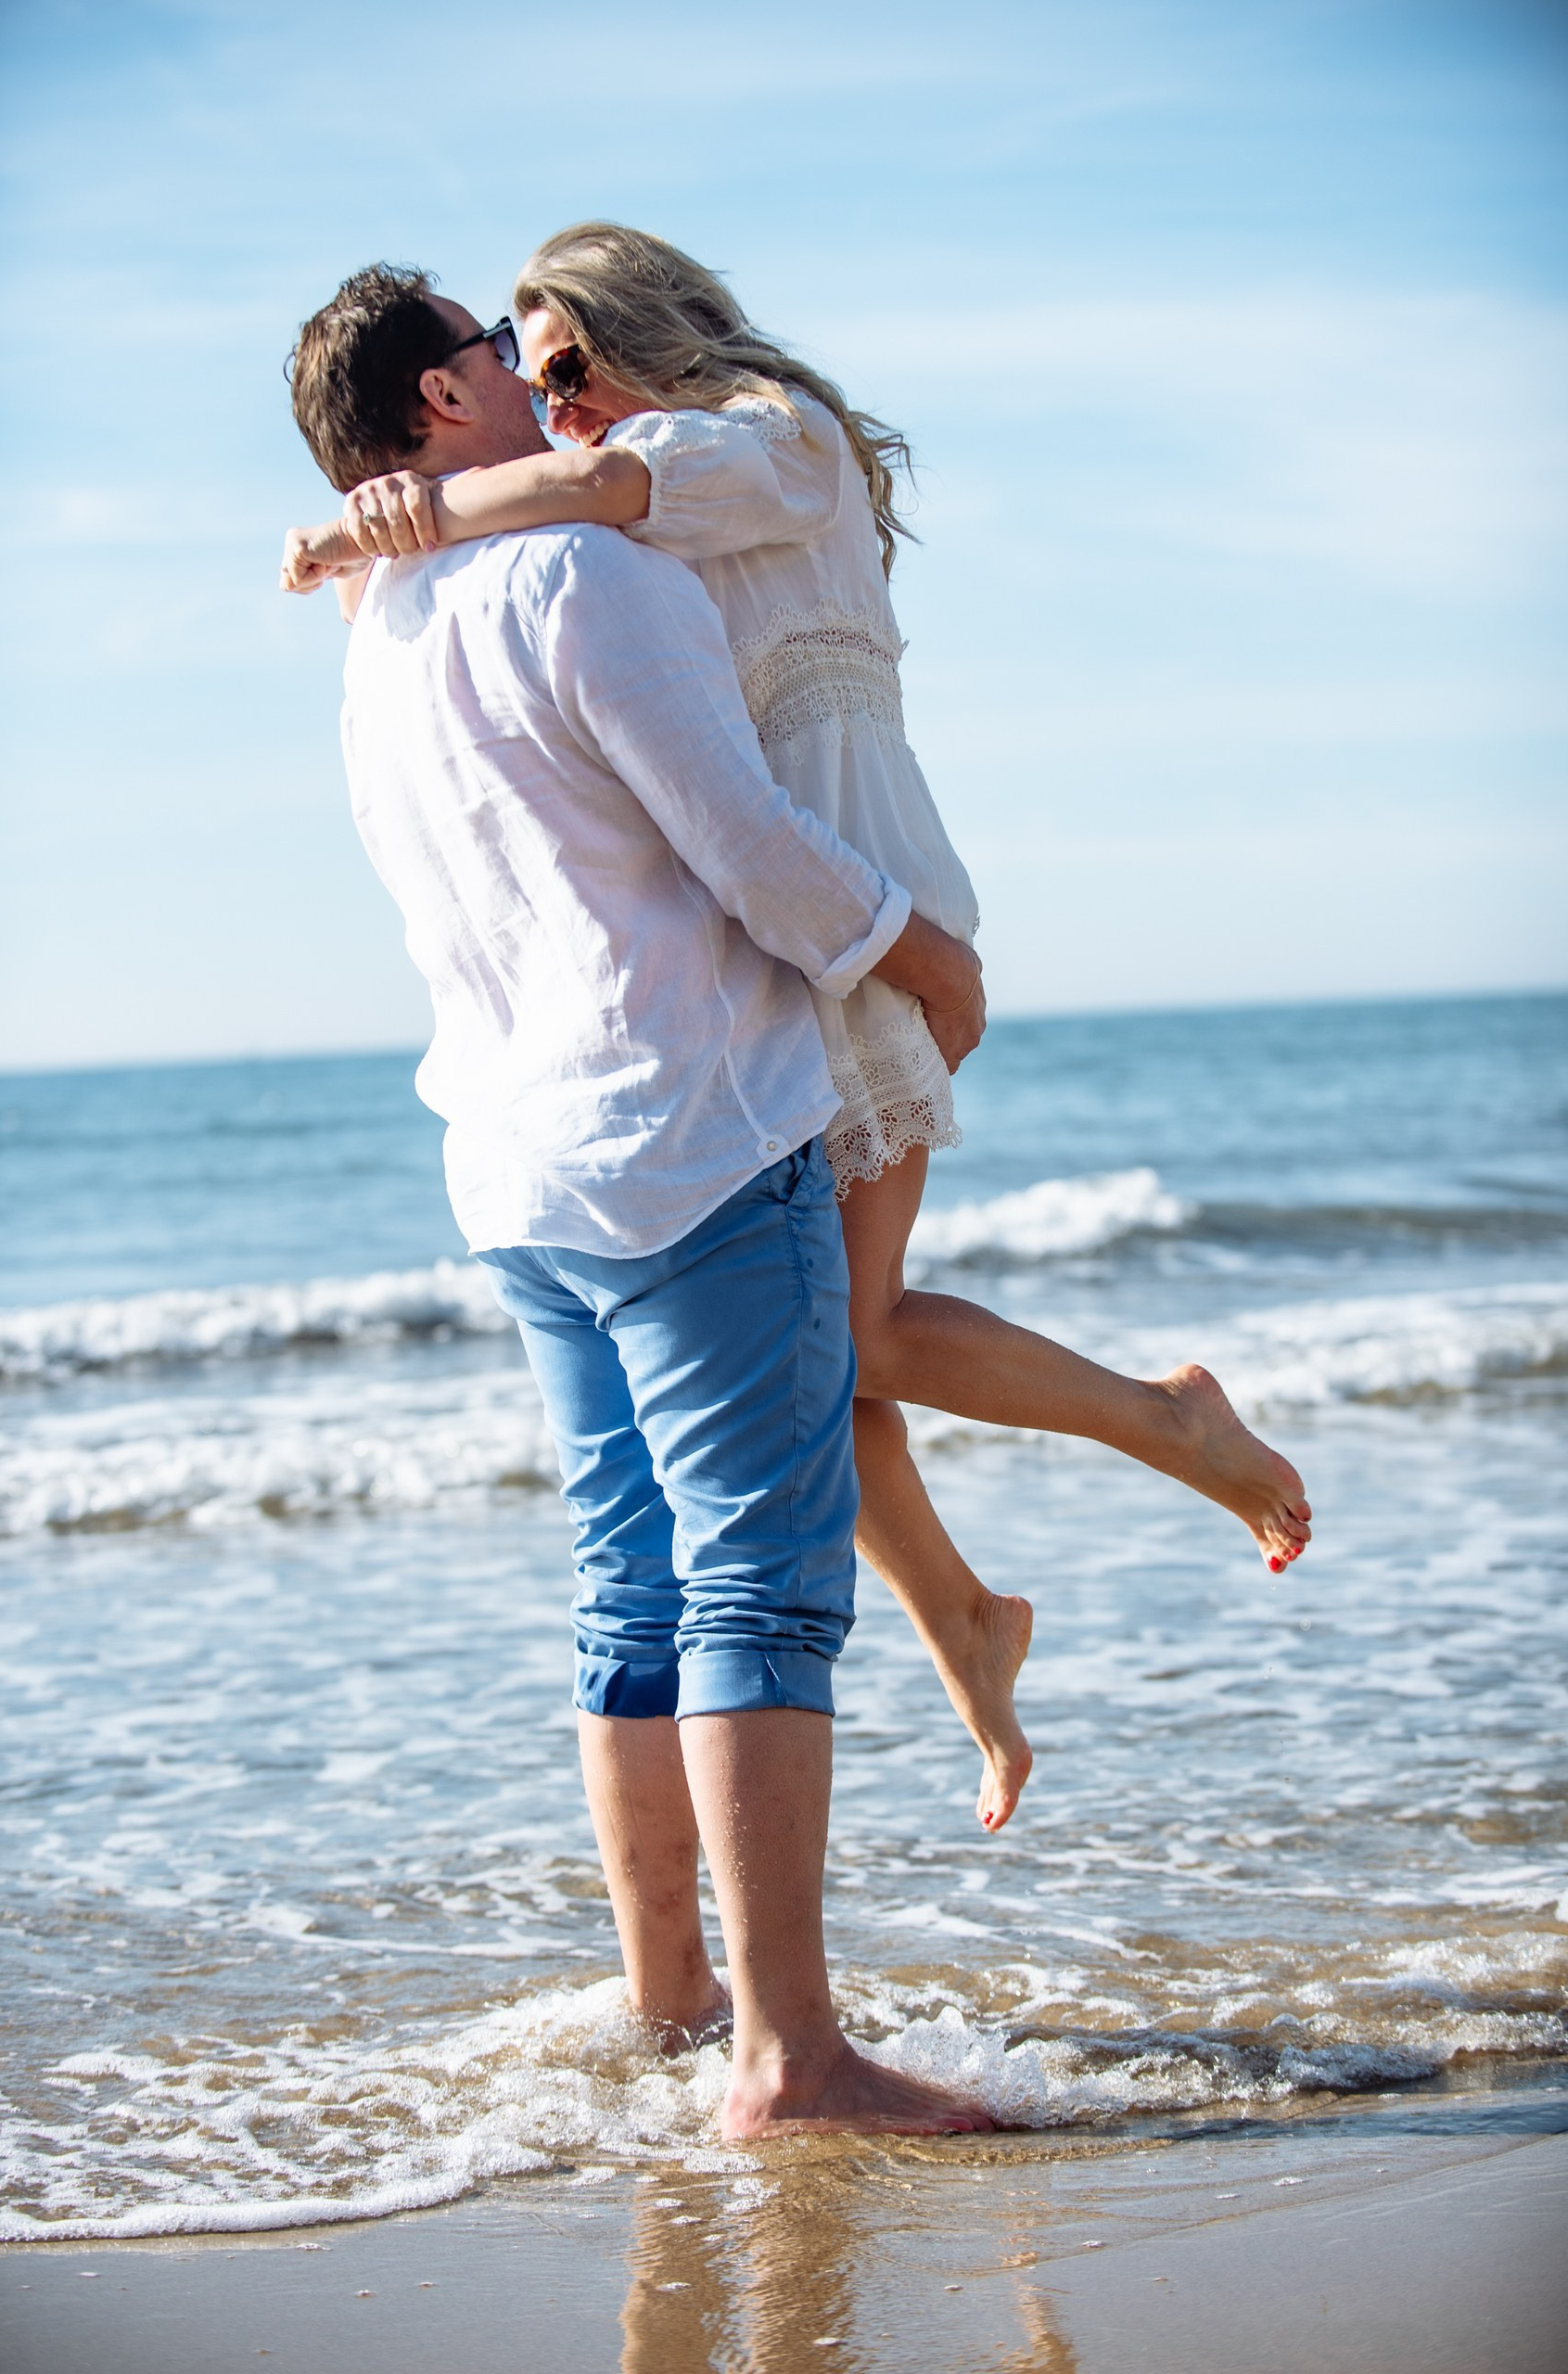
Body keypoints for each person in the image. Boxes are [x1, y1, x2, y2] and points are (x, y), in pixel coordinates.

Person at [285, 228, 1312, 1835]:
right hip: (787, 927)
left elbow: (602, 504)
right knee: (825, 1349)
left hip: (861, 904)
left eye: (562, 366)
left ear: (644, 331)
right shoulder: (600, 489)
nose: (557, 411)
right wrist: (397, 538)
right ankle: (969, 1622)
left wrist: (386, 517)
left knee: (856, 1329)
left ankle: (1165, 1426)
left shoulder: (761, 439)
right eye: (526, 376)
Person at [287, 263, 998, 2138]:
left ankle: (676, 2006)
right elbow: (752, 845)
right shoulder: (587, 573)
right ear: (439, 405)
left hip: (517, 1168)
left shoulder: (377, 622)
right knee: (761, 1587)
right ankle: (794, 2056)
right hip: (686, 1131)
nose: (536, 385)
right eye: (491, 357)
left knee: (631, 1589)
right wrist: (920, 954)